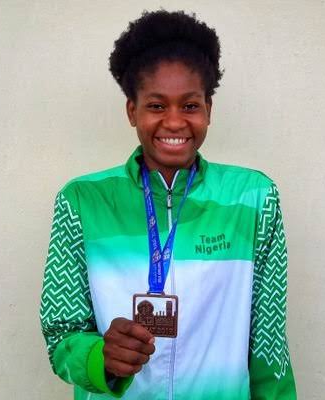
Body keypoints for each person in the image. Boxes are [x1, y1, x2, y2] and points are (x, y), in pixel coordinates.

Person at [40, 9, 297, 400]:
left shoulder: (253, 198)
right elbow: (61, 336)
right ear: (133, 111)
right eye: (157, 106)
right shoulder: (82, 201)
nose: (175, 122)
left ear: (208, 110)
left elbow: (268, 344)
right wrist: (98, 357)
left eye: (190, 106)